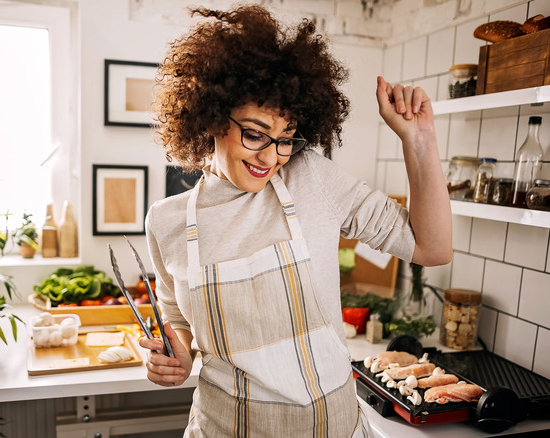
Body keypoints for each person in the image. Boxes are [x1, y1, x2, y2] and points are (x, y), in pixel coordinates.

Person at [139, 4, 452, 437]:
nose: (271, 158)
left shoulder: (309, 177)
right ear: (211, 117)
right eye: (254, 134)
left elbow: (431, 248)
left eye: (285, 139)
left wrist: (419, 140)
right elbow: (180, 328)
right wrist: (172, 359)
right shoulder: (166, 221)